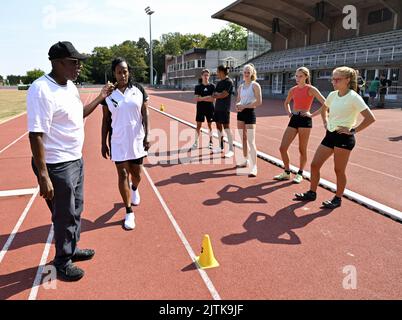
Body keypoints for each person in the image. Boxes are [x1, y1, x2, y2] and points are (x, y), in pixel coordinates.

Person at [27, 41, 114, 281]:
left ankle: (71, 249)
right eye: (74, 62)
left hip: (75, 160)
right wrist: (44, 175)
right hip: (56, 165)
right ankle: (62, 262)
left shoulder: (70, 87)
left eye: (79, 62)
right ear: (57, 63)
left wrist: (100, 97)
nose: (79, 67)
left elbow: (79, 114)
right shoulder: (41, 89)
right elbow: (35, 134)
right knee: (63, 216)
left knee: (76, 211)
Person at [295, 66, 376, 209]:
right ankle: (312, 192)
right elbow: (324, 109)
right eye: (333, 79)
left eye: (337, 79)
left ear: (347, 80)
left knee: (339, 170)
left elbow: (370, 118)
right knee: (314, 165)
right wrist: (326, 122)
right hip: (330, 135)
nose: (334, 82)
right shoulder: (332, 95)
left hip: (344, 138)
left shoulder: (354, 97)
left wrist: (353, 130)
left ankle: (337, 198)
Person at [101, 57, 150, 231]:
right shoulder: (109, 95)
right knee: (122, 174)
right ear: (114, 73)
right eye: (119, 72)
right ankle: (129, 211)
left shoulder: (138, 90)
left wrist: (147, 136)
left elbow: (145, 114)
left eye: (125, 71)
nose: (123, 75)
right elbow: (105, 120)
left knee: (136, 174)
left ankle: (134, 188)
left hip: (136, 139)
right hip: (117, 141)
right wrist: (103, 143)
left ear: (129, 72)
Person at [274, 67, 326, 184]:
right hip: (294, 119)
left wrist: (312, 115)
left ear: (306, 77)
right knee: (282, 148)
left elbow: (326, 103)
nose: (297, 78)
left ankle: (300, 173)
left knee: (302, 149)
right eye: (296, 76)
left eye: (300, 76)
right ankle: (287, 172)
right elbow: (286, 102)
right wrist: (289, 113)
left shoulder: (311, 89)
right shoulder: (293, 90)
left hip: (305, 120)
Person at [235, 64, 262, 177]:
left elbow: (259, 102)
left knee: (251, 140)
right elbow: (238, 100)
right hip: (241, 114)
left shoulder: (255, 85)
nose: (246, 74)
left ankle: (254, 167)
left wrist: (245, 106)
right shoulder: (240, 87)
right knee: (243, 139)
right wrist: (237, 106)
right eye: (245, 72)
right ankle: (245, 160)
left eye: (248, 72)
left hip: (250, 113)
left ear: (252, 73)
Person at [212, 65, 235, 158]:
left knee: (226, 128)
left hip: (225, 109)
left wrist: (218, 95)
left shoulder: (229, 82)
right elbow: (214, 94)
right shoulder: (219, 83)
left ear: (221, 71)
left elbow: (224, 95)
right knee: (218, 127)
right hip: (217, 108)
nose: (217, 73)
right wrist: (218, 95)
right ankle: (220, 147)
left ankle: (231, 149)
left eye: (217, 71)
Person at [191, 69, 215, 150]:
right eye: (204, 75)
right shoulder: (198, 87)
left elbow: (212, 100)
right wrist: (207, 97)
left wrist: (202, 98)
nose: (206, 77)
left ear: (209, 76)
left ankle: (211, 142)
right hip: (200, 109)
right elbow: (196, 99)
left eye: (207, 75)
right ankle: (195, 143)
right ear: (201, 76)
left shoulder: (212, 86)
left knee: (210, 125)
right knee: (198, 126)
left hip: (210, 108)